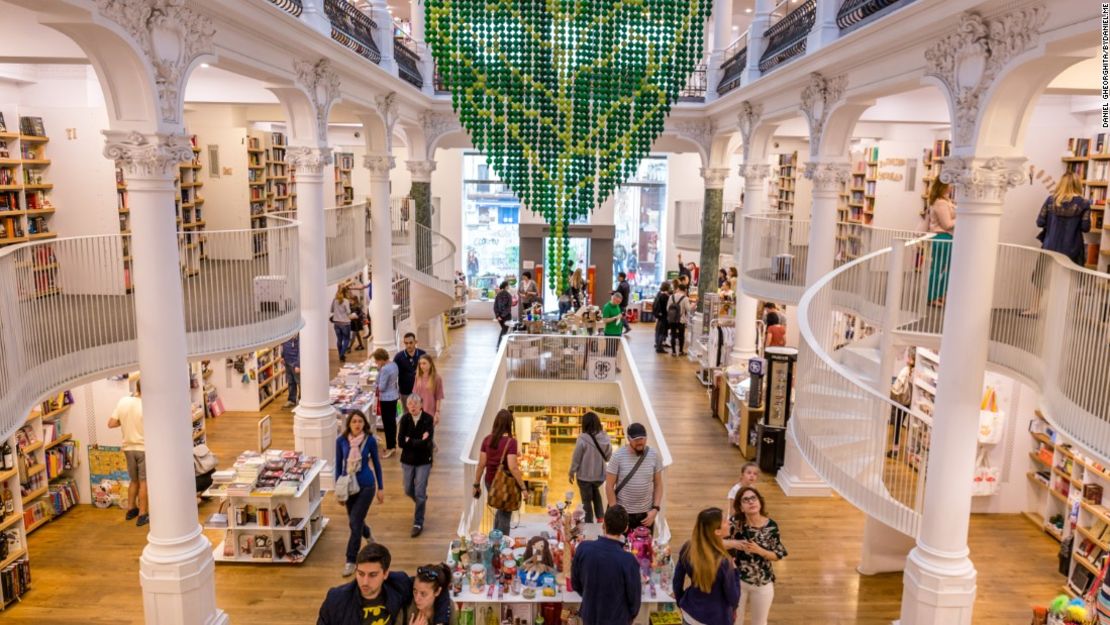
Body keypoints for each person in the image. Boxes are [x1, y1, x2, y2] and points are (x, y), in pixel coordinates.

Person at [317, 542, 450, 625]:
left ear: (385, 574)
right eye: (360, 573)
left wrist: (440, 622)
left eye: (373, 575)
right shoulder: (337, 599)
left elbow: (435, 585)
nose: (365, 582)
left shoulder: (399, 584)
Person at [1022, 172, 1091, 316]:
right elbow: (1085, 227)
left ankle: (1034, 308)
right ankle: (1063, 313)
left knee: (1040, 278)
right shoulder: (1084, 204)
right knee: (1069, 280)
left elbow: (1040, 222)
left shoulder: (1050, 200)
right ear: (1078, 185)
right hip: (1072, 248)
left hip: (1050, 246)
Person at [571, 505, 642, 625]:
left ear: (603, 524)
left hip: (590, 616)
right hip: (617, 618)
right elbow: (634, 600)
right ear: (625, 528)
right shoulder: (628, 560)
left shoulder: (583, 548)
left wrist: (591, 596)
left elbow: (575, 584)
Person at [336, 410, 385, 577]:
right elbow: (338, 467)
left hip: (366, 486)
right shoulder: (341, 441)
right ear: (349, 424)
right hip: (348, 487)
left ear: (364, 424)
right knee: (354, 521)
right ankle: (368, 533)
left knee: (355, 522)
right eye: (354, 421)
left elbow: (377, 465)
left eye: (360, 421)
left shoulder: (370, 440)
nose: (357, 424)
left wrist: (380, 488)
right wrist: (338, 490)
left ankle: (351, 560)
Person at [729, 487, 787, 625]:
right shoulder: (735, 523)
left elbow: (777, 555)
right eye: (746, 500)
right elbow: (720, 542)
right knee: (735, 621)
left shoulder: (771, 526)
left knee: (759, 622)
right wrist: (733, 544)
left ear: (760, 502)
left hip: (762, 582)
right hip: (738, 581)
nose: (751, 502)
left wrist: (759, 550)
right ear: (741, 507)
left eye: (754, 498)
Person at [673, 507, 741, 625]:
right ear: (717, 531)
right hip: (716, 618)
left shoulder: (688, 548)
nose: (729, 522)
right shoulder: (724, 561)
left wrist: (681, 601)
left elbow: (677, 581)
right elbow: (733, 596)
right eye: (725, 521)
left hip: (690, 613)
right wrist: (734, 570)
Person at [473, 409, 527, 534]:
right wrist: (523, 487)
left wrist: (476, 484)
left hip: (490, 482)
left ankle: (494, 538)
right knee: (505, 515)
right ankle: (501, 547)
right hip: (505, 484)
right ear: (509, 424)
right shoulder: (511, 442)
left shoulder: (487, 440)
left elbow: (481, 464)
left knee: (500, 510)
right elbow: (513, 467)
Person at [605, 422, 663, 532]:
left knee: (644, 547)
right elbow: (609, 486)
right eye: (636, 440)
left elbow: (658, 484)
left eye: (642, 439)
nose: (640, 442)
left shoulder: (654, 456)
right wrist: (616, 514)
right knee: (621, 547)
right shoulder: (617, 457)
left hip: (646, 515)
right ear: (628, 439)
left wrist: (655, 509)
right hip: (622, 514)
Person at [108, 380, 148, 526]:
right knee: (144, 482)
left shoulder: (123, 401)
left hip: (128, 448)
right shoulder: (148, 405)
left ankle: (131, 509)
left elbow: (111, 423)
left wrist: (125, 422)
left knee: (134, 480)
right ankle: (143, 514)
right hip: (143, 448)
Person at [398, 394, 435, 538]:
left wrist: (410, 441)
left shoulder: (427, 419)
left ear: (421, 405)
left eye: (415, 403)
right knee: (408, 489)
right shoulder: (405, 419)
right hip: (407, 460)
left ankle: (418, 522)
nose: (412, 406)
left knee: (419, 491)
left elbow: (427, 442)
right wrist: (418, 440)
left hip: (424, 460)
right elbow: (400, 442)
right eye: (410, 404)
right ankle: (421, 501)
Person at [569, 411, 613, 523]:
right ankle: (600, 518)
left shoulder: (582, 438)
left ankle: (589, 523)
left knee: (586, 500)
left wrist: (571, 472)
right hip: (599, 476)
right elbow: (608, 456)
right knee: (595, 492)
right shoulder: (605, 437)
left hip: (584, 476)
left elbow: (576, 457)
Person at [925, 179, 956, 307]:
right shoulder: (941, 203)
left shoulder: (946, 201)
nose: (952, 186)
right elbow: (947, 224)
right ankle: (932, 296)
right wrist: (963, 219)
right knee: (939, 268)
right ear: (943, 186)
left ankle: (940, 294)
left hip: (945, 237)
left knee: (946, 268)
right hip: (943, 237)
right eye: (950, 184)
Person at [373, 348, 401, 458]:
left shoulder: (384, 369)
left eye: (376, 361)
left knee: (387, 424)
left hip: (386, 399)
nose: (376, 363)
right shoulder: (394, 364)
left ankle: (390, 448)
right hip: (394, 396)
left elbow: (381, 387)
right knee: (392, 423)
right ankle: (392, 445)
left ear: (380, 359)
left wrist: (378, 373)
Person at [888, 349, 915, 458]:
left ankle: (895, 451)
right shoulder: (914, 372)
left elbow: (898, 385)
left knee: (897, 426)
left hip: (901, 401)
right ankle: (902, 450)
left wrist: (891, 389)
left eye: (909, 357)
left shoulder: (905, 370)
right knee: (903, 426)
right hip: (909, 403)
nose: (907, 359)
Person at [393, 333, 427, 406]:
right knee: (407, 414)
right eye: (406, 343)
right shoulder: (398, 357)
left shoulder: (423, 354)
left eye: (411, 343)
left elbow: (429, 372)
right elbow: (394, 375)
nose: (408, 345)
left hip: (421, 391)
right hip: (405, 392)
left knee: (421, 411)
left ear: (415, 342)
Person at [412, 355, 444, 426]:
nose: (422, 366)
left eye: (424, 363)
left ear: (430, 363)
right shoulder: (418, 377)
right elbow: (414, 394)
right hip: (419, 411)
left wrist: (437, 412)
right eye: (420, 364)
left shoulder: (437, 378)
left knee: (428, 435)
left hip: (430, 411)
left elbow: (438, 397)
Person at [332, 286, 355, 363]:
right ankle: (341, 355)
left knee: (339, 340)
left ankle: (341, 355)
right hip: (345, 323)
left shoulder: (334, 300)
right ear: (345, 292)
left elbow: (332, 310)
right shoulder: (346, 301)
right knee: (346, 339)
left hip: (337, 323)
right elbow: (348, 312)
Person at [668, 283, 691, 357]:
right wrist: (694, 304)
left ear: (678, 288)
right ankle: (681, 351)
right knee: (681, 336)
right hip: (681, 320)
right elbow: (688, 309)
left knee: (673, 335)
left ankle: (674, 352)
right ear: (685, 290)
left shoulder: (671, 297)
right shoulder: (685, 298)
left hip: (672, 319)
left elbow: (667, 308)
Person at [653, 281, 673, 354]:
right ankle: (659, 347)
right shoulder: (664, 296)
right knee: (662, 331)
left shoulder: (659, 294)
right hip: (664, 316)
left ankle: (658, 344)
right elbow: (666, 307)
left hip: (659, 315)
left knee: (658, 330)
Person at [281, 334, 300, 408]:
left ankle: (302, 400)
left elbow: (301, 351)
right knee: (290, 382)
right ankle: (291, 400)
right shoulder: (287, 335)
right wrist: (282, 356)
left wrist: (298, 364)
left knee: (299, 382)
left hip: (295, 363)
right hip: (287, 361)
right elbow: (284, 347)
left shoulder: (299, 337)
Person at [494, 280, 513, 347]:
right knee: (505, 330)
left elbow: (495, 307)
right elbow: (508, 308)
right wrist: (502, 316)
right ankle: (499, 345)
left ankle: (503, 344)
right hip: (507, 316)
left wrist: (498, 316)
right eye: (508, 285)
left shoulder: (498, 295)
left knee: (504, 329)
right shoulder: (509, 295)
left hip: (499, 317)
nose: (509, 286)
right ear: (506, 286)